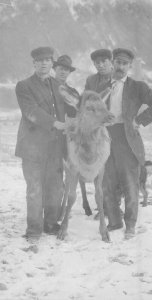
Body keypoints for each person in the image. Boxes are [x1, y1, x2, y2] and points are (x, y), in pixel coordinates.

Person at [103, 48, 152, 238]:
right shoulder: (103, 85)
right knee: (107, 183)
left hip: (127, 140)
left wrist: (139, 121)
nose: (120, 67)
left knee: (130, 184)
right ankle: (114, 222)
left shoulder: (137, 87)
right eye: (118, 62)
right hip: (105, 139)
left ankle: (130, 225)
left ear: (130, 66)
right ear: (112, 63)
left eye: (125, 64)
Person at [15, 46, 67, 242]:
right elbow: (31, 111)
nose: (44, 63)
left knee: (55, 187)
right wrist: (55, 123)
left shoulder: (58, 85)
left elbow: (69, 107)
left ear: (52, 63)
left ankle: (51, 224)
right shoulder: (23, 85)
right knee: (35, 189)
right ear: (34, 63)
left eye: (48, 60)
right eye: (40, 60)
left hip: (55, 147)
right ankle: (34, 230)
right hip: (32, 148)